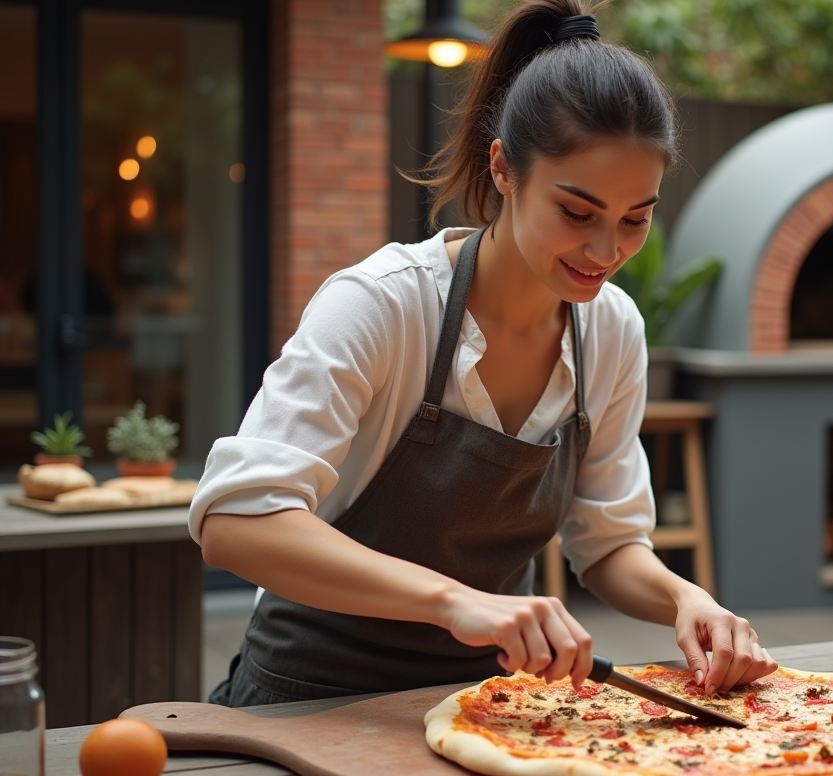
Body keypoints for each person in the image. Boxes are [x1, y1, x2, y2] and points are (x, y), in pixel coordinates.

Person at [193, 0, 777, 708]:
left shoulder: (612, 331)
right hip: (308, 698)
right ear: (504, 168)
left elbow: (610, 546)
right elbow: (236, 525)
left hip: (485, 705)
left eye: (636, 219)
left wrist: (687, 601)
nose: (605, 252)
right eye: (576, 211)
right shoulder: (383, 304)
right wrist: (454, 601)